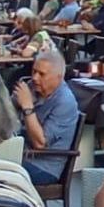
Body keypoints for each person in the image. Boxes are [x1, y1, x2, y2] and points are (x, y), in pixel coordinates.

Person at [12, 48, 82, 185]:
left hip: (44, 167)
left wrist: (27, 107)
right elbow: (6, 115)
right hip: (21, 152)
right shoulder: (32, 86)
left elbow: (40, 143)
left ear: (58, 77)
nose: (35, 78)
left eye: (42, 74)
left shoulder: (65, 102)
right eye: (34, 71)